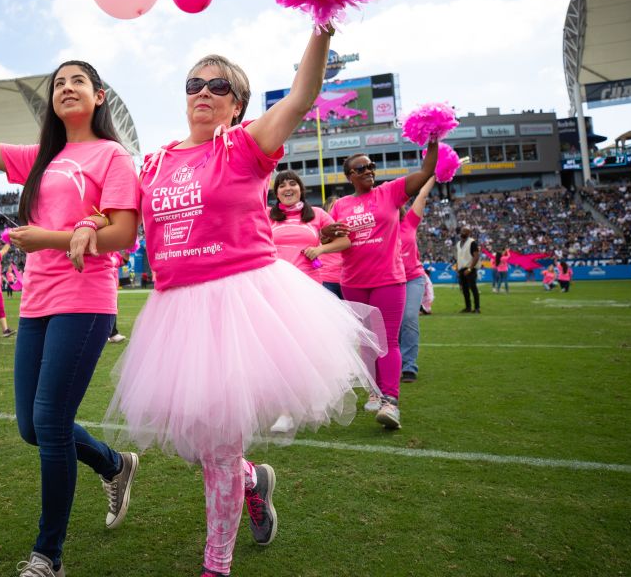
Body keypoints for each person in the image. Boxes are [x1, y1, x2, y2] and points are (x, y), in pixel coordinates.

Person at [104, 30, 381, 577]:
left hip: (243, 306)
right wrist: (89, 225)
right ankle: (255, 480)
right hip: (176, 312)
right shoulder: (155, 161)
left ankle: (217, 564)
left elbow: (301, 97)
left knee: (220, 451)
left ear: (237, 103)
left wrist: (319, 32)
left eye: (218, 85)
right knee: (195, 446)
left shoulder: (245, 145)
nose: (203, 91)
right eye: (194, 83)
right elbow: (121, 218)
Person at [0, 51, 141, 577]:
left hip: (85, 299)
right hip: (38, 299)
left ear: (98, 96)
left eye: (78, 81)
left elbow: (122, 236)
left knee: (51, 423)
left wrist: (48, 238)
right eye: (59, 82)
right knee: (31, 427)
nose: (66, 87)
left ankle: (48, 557)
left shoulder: (113, 156)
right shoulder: (40, 156)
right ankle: (113, 463)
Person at [314, 144, 437, 431]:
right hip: (353, 282)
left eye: (371, 167)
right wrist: (325, 232)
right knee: (367, 342)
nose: (368, 171)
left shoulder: (390, 192)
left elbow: (426, 171)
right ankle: (375, 392)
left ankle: (390, 402)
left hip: (388, 280)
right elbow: (328, 236)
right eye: (361, 169)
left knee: (388, 341)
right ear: (349, 176)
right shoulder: (341, 205)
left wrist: (431, 141)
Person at [269, 169, 339, 297]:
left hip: (310, 283)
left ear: (300, 189)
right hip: (277, 283)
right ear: (277, 194)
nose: (287, 188)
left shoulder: (317, 213)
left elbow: (344, 241)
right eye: (282, 186)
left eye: (292, 183)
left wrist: (320, 249)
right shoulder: (267, 214)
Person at [397, 177, 436, 384]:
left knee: (410, 317)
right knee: (393, 325)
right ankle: (395, 363)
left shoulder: (409, 221)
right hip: (389, 280)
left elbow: (421, 195)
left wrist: (433, 175)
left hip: (413, 278)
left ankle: (409, 365)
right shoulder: (378, 227)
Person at [454, 227, 481, 313]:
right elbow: (459, 257)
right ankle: (468, 307)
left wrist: (470, 269)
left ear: (469, 233)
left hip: (470, 269)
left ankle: (477, 308)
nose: (463, 232)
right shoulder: (458, 244)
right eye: (462, 231)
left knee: (473, 289)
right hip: (462, 269)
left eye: (465, 231)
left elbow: (476, 256)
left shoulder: (472, 242)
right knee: (464, 289)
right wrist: (457, 267)